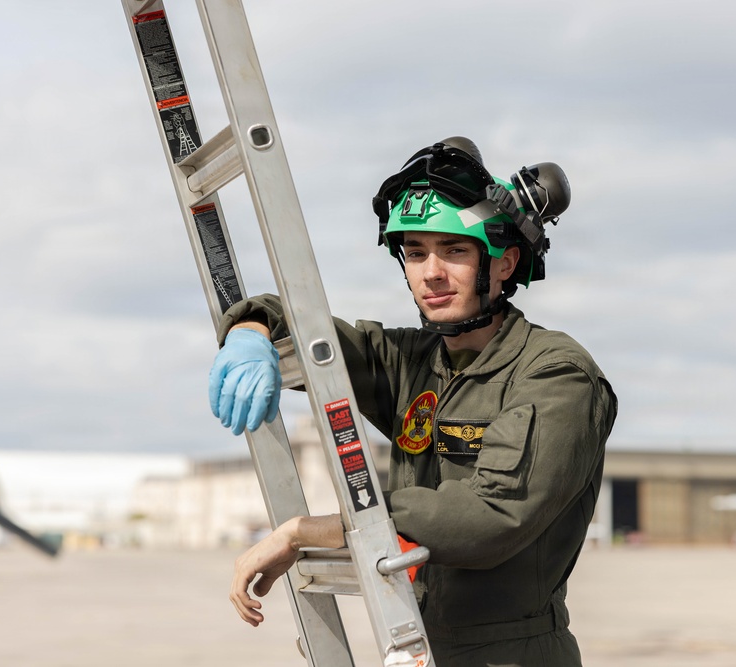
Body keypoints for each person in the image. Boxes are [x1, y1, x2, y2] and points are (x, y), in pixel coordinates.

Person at [208, 137, 617, 667]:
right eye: (416, 251)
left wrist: (310, 531)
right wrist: (250, 331)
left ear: (504, 262)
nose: (431, 273)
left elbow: (491, 517)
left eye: (454, 250)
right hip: (417, 645)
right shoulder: (410, 359)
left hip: (512, 654)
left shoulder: (557, 374)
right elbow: (307, 328)